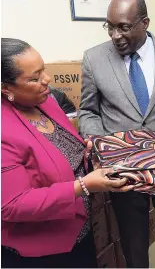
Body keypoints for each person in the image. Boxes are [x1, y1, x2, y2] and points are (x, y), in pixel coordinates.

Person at [79, 0, 155, 268]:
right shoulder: (94, 59)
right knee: (133, 244)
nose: (115, 35)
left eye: (124, 27)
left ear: (144, 23)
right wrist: (99, 144)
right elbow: (88, 111)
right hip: (124, 169)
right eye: (110, 26)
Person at [1, 38, 134, 268]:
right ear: (5, 88)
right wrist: (82, 186)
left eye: (43, 70)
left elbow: (61, 153)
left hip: (78, 230)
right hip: (42, 249)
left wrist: (87, 152)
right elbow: (12, 204)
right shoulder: (4, 130)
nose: (46, 80)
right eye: (34, 78)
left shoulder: (47, 101)